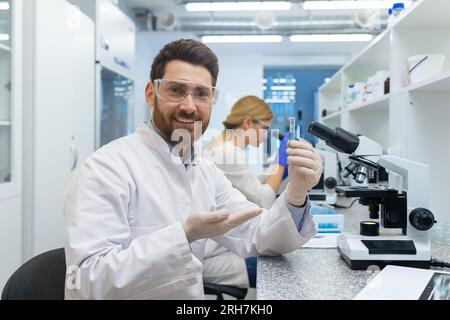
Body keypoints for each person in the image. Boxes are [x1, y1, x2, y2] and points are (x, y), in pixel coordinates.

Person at [63, 39, 322, 300]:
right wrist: (183, 235)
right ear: (151, 94)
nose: (189, 106)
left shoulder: (205, 171)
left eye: (201, 94)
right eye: (176, 90)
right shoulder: (105, 168)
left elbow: (258, 234)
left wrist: (297, 193)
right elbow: (87, 282)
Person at [203, 96, 291, 289]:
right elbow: (263, 199)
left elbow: (246, 187)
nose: (267, 134)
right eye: (265, 128)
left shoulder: (224, 148)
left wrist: (276, 172)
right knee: (282, 269)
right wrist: (280, 164)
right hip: (215, 255)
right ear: (248, 122)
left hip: (221, 244)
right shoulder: (227, 152)